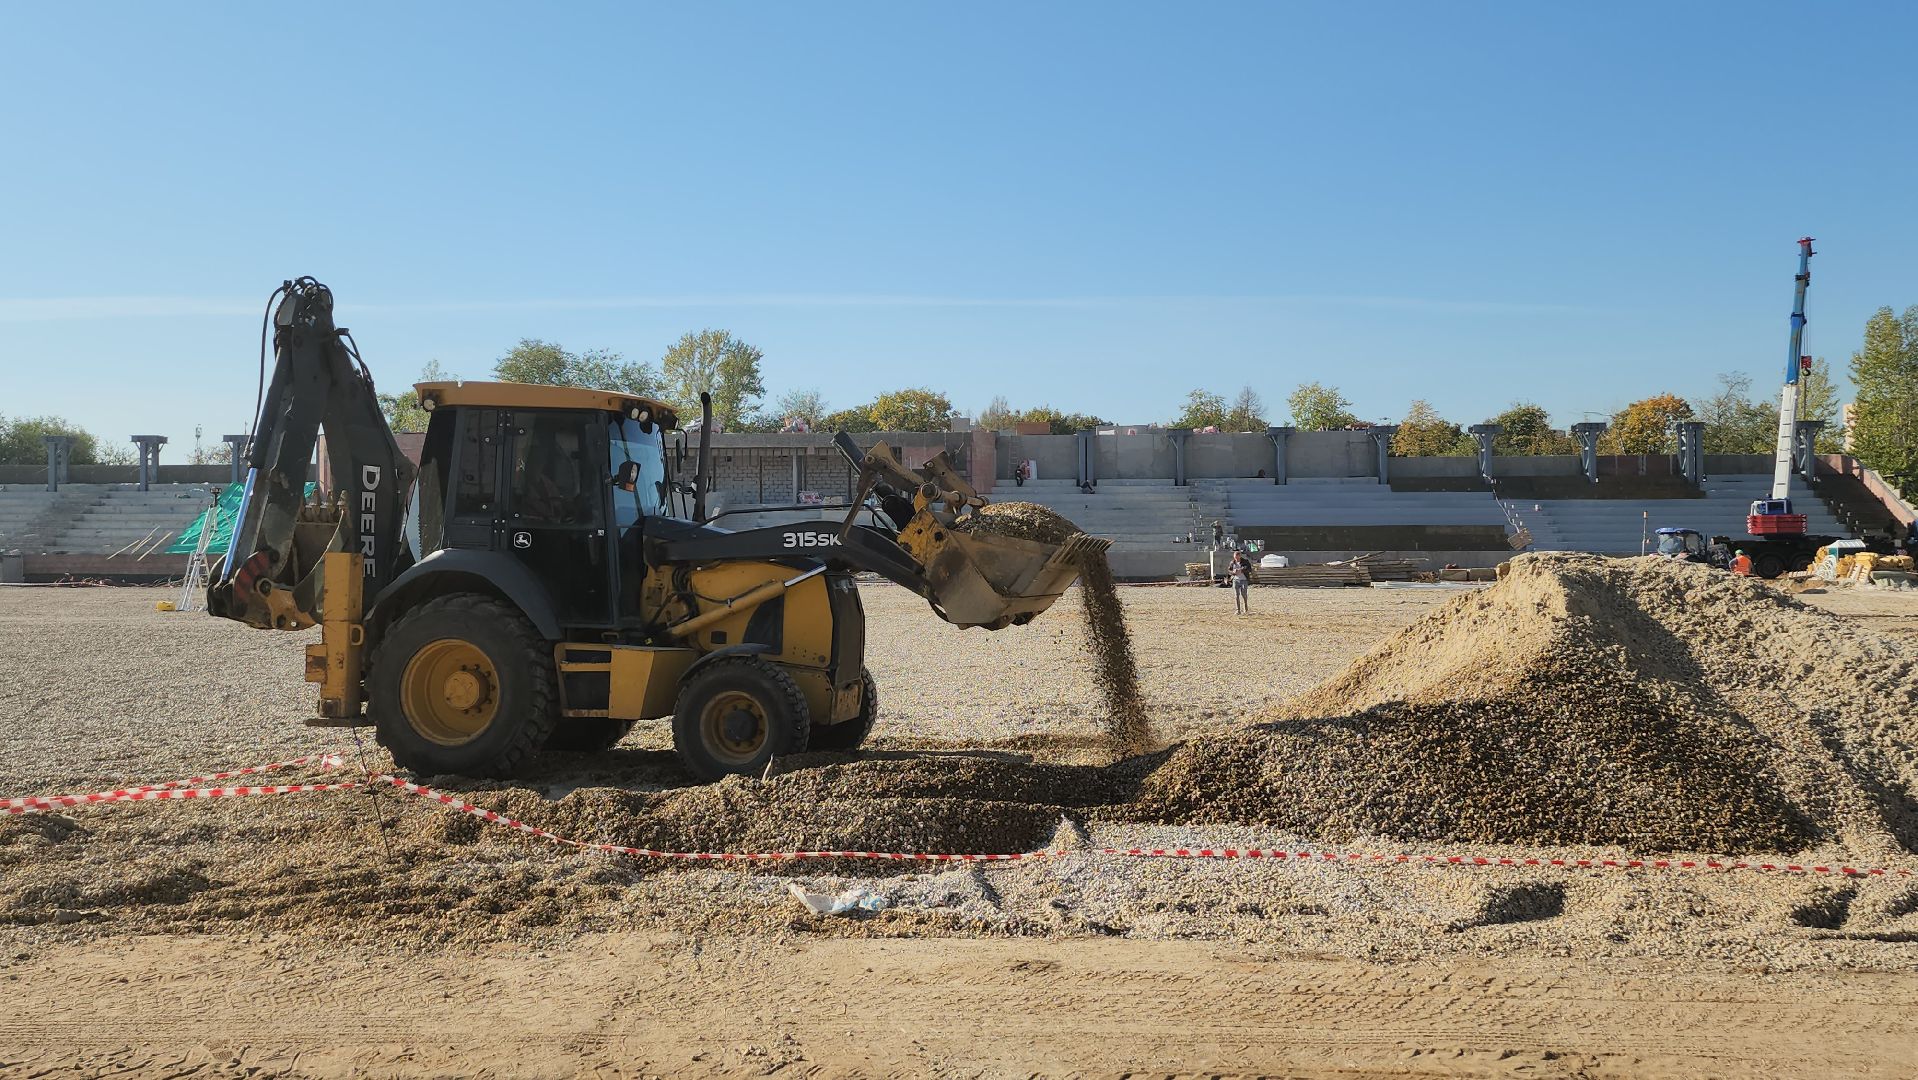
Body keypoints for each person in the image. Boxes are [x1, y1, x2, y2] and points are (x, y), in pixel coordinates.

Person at [1229, 549, 1252, 614]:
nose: (1236, 559)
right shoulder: (1232, 562)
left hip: (1244, 580)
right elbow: (1229, 570)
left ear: (1239, 556)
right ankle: (1238, 610)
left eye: (1237, 557)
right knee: (1236, 595)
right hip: (1235, 580)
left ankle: (1245, 608)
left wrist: (1241, 570)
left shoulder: (1245, 561)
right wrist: (1233, 572)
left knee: (1244, 595)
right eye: (1235, 557)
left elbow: (1249, 569)